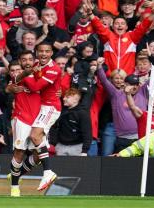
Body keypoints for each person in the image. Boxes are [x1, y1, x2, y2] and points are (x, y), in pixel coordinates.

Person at [15, 42, 61, 192]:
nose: (43, 54)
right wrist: (25, 73)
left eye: (47, 51)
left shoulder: (54, 69)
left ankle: (48, 172)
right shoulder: (35, 64)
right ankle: (19, 173)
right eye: (40, 51)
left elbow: (35, 87)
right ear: (36, 52)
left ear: (51, 53)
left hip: (51, 107)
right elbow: (15, 80)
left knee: (35, 136)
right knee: (37, 147)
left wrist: (26, 74)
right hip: (40, 107)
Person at [7, 51, 41, 197]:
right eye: (24, 59)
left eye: (30, 59)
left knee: (40, 155)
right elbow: (9, 86)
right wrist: (11, 88)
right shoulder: (19, 78)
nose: (27, 61)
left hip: (39, 120)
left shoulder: (41, 76)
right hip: (22, 118)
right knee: (19, 151)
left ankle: (17, 174)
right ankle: (15, 187)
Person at [49, 88, 92, 156]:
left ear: (75, 100)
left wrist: (84, 151)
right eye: (64, 96)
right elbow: (54, 127)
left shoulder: (83, 113)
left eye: (67, 97)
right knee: (58, 166)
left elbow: (87, 133)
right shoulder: (61, 110)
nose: (64, 98)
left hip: (77, 147)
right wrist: (52, 143)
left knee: (75, 167)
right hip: (60, 146)